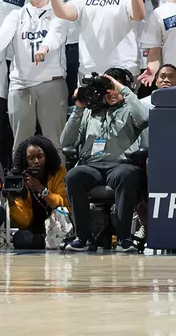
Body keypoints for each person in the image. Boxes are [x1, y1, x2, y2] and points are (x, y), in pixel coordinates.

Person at [59, 64, 149, 252]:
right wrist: (78, 108)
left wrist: (122, 89)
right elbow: (65, 141)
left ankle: (124, 239)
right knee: (73, 176)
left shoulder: (130, 109)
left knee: (127, 175)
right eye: (107, 90)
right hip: (92, 166)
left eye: (115, 88)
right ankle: (83, 238)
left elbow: (143, 119)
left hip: (121, 165)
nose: (111, 93)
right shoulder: (90, 112)